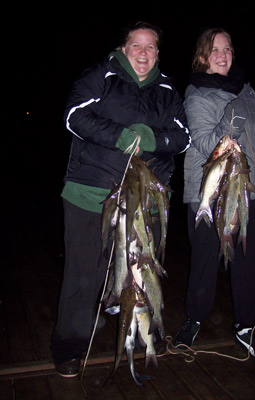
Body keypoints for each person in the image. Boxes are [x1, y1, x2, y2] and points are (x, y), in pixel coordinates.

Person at [51, 21, 191, 377]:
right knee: (85, 272)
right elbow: (74, 115)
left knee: (142, 270)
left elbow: (183, 137)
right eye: (136, 46)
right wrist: (120, 136)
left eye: (150, 48)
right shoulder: (102, 75)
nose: (143, 54)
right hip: (92, 191)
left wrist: (151, 138)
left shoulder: (168, 89)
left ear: (158, 53)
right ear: (124, 48)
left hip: (148, 196)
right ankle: (70, 344)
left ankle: (145, 334)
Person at [174, 28, 255, 360]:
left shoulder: (247, 89)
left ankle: (246, 326)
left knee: (246, 258)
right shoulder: (196, 93)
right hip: (209, 190)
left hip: (248, 188)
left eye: (227, 49)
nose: (222, 54)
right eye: (214, 49)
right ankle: (195, 319)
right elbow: (204, 143)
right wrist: (234, 114)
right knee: (205, 259)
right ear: (202, 56)